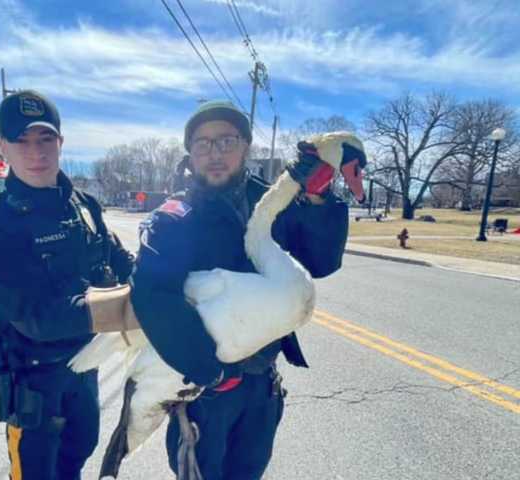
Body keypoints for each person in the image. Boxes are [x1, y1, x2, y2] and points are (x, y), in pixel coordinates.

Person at [130, 100, 366, 479]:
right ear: (191, 154)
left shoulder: (274, 201)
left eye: (226, 140)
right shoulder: (175, 217)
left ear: (245, 146)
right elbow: (155, 298)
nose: (215, 153)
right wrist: (209, 372)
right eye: (203, 144)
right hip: (205, 391)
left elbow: (320, 263)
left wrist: (319, 197)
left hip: (261, 387)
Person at [0, 90, 135, 480]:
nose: (35, 152)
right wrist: (137, 308)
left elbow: (122, 263)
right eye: (21, 141)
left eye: (45, 139)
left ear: (60, 142)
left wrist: (172, 278)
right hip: (32, 383)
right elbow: (35, 317)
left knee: (76, 459)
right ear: (3, 147)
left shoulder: (85, 206)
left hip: (84, 370)